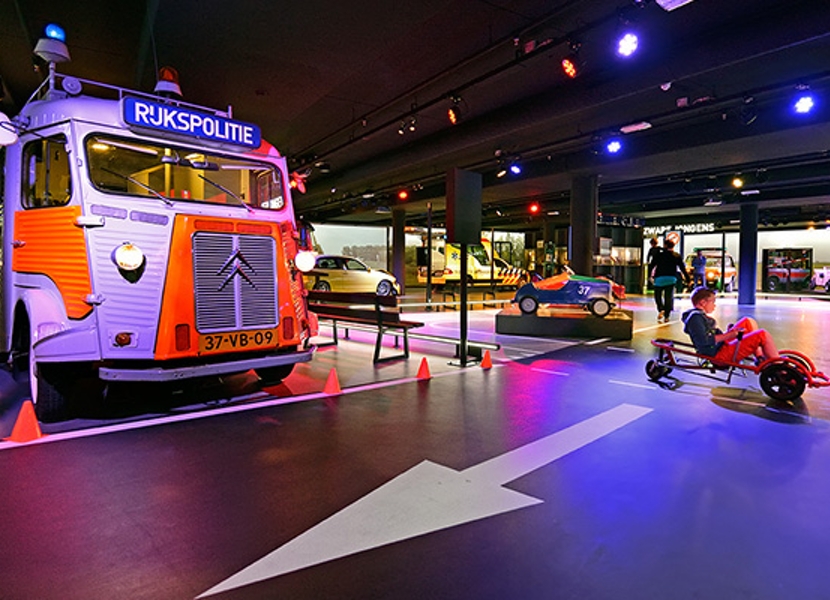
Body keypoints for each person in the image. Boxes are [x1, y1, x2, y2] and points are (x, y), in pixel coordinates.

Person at [682, 286, 779, 364]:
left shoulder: (698, 316)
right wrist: (730, 335)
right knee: (762, 335)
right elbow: (704, 340)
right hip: (718, 355)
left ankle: (760, 357)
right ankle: (779, 368)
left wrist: (730, 333)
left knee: (748, 321)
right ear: (703, 302)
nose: (714, 305)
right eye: (713, 302)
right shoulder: (695, 318)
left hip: (721, 346)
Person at [651, 238, 690, 322]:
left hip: (659, 278)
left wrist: (650, 276)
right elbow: (682, 268)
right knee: (668, 297)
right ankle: (667, 316)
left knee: (657, 295)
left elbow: (652, 265)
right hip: (671, 278)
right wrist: (688, 279)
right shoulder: (677, 256)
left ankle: (661, 308)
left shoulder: (659, 255)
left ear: (665, 245)